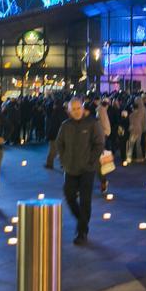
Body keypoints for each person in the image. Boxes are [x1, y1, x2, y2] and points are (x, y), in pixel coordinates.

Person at [56, 96, 105, 245]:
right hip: (70, 168)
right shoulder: (66, 125)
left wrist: (91, 161)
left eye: (79, 108)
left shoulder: (92, 123)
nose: (76, 111)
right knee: (69, 195)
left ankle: (82, 231)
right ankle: (82, 220)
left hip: (87, 169)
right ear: (69, 111)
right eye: (73, 109)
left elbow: (99, 143)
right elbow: (60, 144)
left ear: (83, 109)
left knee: (85, 200)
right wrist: (63, 161)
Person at [125, 97, 146, 164]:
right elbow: (143, 121)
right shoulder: (141, 113)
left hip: (133, 130)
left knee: (131, 145)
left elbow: (130, 123)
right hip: (139, 129)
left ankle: (129, 157)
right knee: (138, 144)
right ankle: (139, 157)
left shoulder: (131, 115)